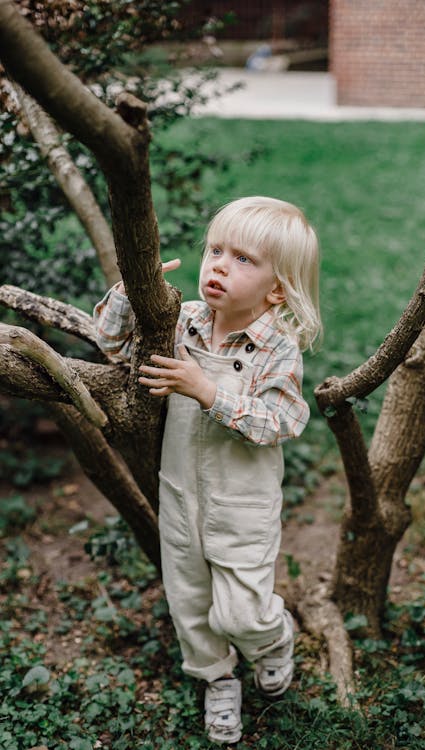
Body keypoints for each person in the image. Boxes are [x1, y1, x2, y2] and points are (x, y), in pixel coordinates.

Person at [93, 196, 322, 744]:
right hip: (179, 494)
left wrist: (207, 390)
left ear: (276, 289)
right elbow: (111, 345)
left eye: (242, 259)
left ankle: (271, 639)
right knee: (190, 600)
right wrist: (126, 299)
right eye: (215, 250)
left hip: (242, 506)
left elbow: (283, 420)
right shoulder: (184, 321)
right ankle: (217, 676)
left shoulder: (276, 349)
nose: (219, 264)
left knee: (242, 609)